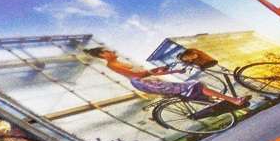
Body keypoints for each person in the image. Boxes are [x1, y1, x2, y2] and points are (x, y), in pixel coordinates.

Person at [85, 46, 248, 108]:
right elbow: (137, 75)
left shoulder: (118, 62)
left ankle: (224, 101)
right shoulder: (112, 65)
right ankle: (234, 101)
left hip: (149, 81)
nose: (112, 51)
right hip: (146, 83)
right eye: (108, 51)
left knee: (195, 85)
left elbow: (147, 73)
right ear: (102, 55)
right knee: (196, 86)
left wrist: (170, 71)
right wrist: (158, 71)